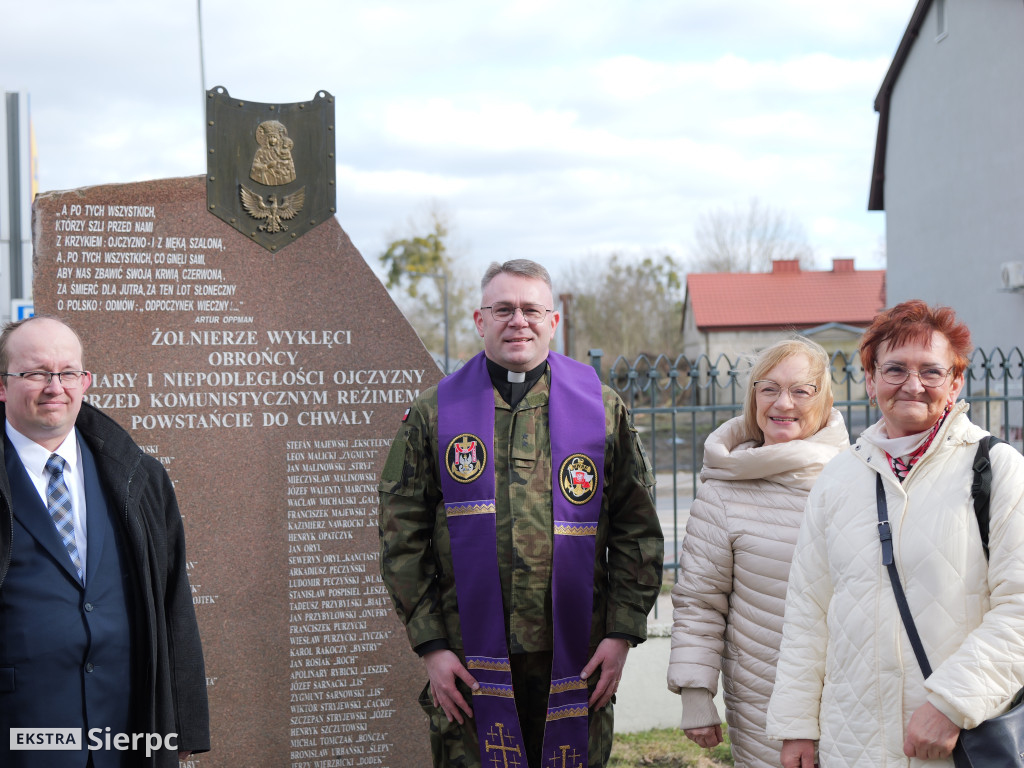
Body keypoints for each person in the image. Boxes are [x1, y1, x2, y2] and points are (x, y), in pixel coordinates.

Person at [378, 259, 663, 768]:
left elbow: (635, 527)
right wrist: (432, 646)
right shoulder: (434, 414)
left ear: (553, 321)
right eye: (503, 308)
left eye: (532, 309)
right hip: (468, 659)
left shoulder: (602, 409)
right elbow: (402, 536)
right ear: (478, 319)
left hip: (577, 652)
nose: (518, 321)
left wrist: (621, 633)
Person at [766, 300, 1024, 767]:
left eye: (931, 372)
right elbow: (808, 613)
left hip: (958, 743)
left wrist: (951, 703)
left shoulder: (996, 469)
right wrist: (796, 727)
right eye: (895, 369)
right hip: (854, 741)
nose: (913, 385)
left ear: (956, 382)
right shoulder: (837, 479)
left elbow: (1020, 608)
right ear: (869, 380)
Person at [0, 316, 210, 768]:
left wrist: (184, 722)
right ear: (2, 386)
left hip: (127, 729)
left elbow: (174, 597)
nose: (55, 386)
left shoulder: (139, 476)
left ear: (86, 381)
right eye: (36, 373)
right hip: (20, 731)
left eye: (67, 373)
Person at [666, 337, 849, 767]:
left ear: (823, 399)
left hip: (855, 693)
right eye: (769, 388)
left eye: (801, 390)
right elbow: (699, 601)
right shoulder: (724, 492)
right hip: (764, 699)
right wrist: (696, 693)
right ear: (753, 398)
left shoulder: (858, 476)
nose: (783, 403)